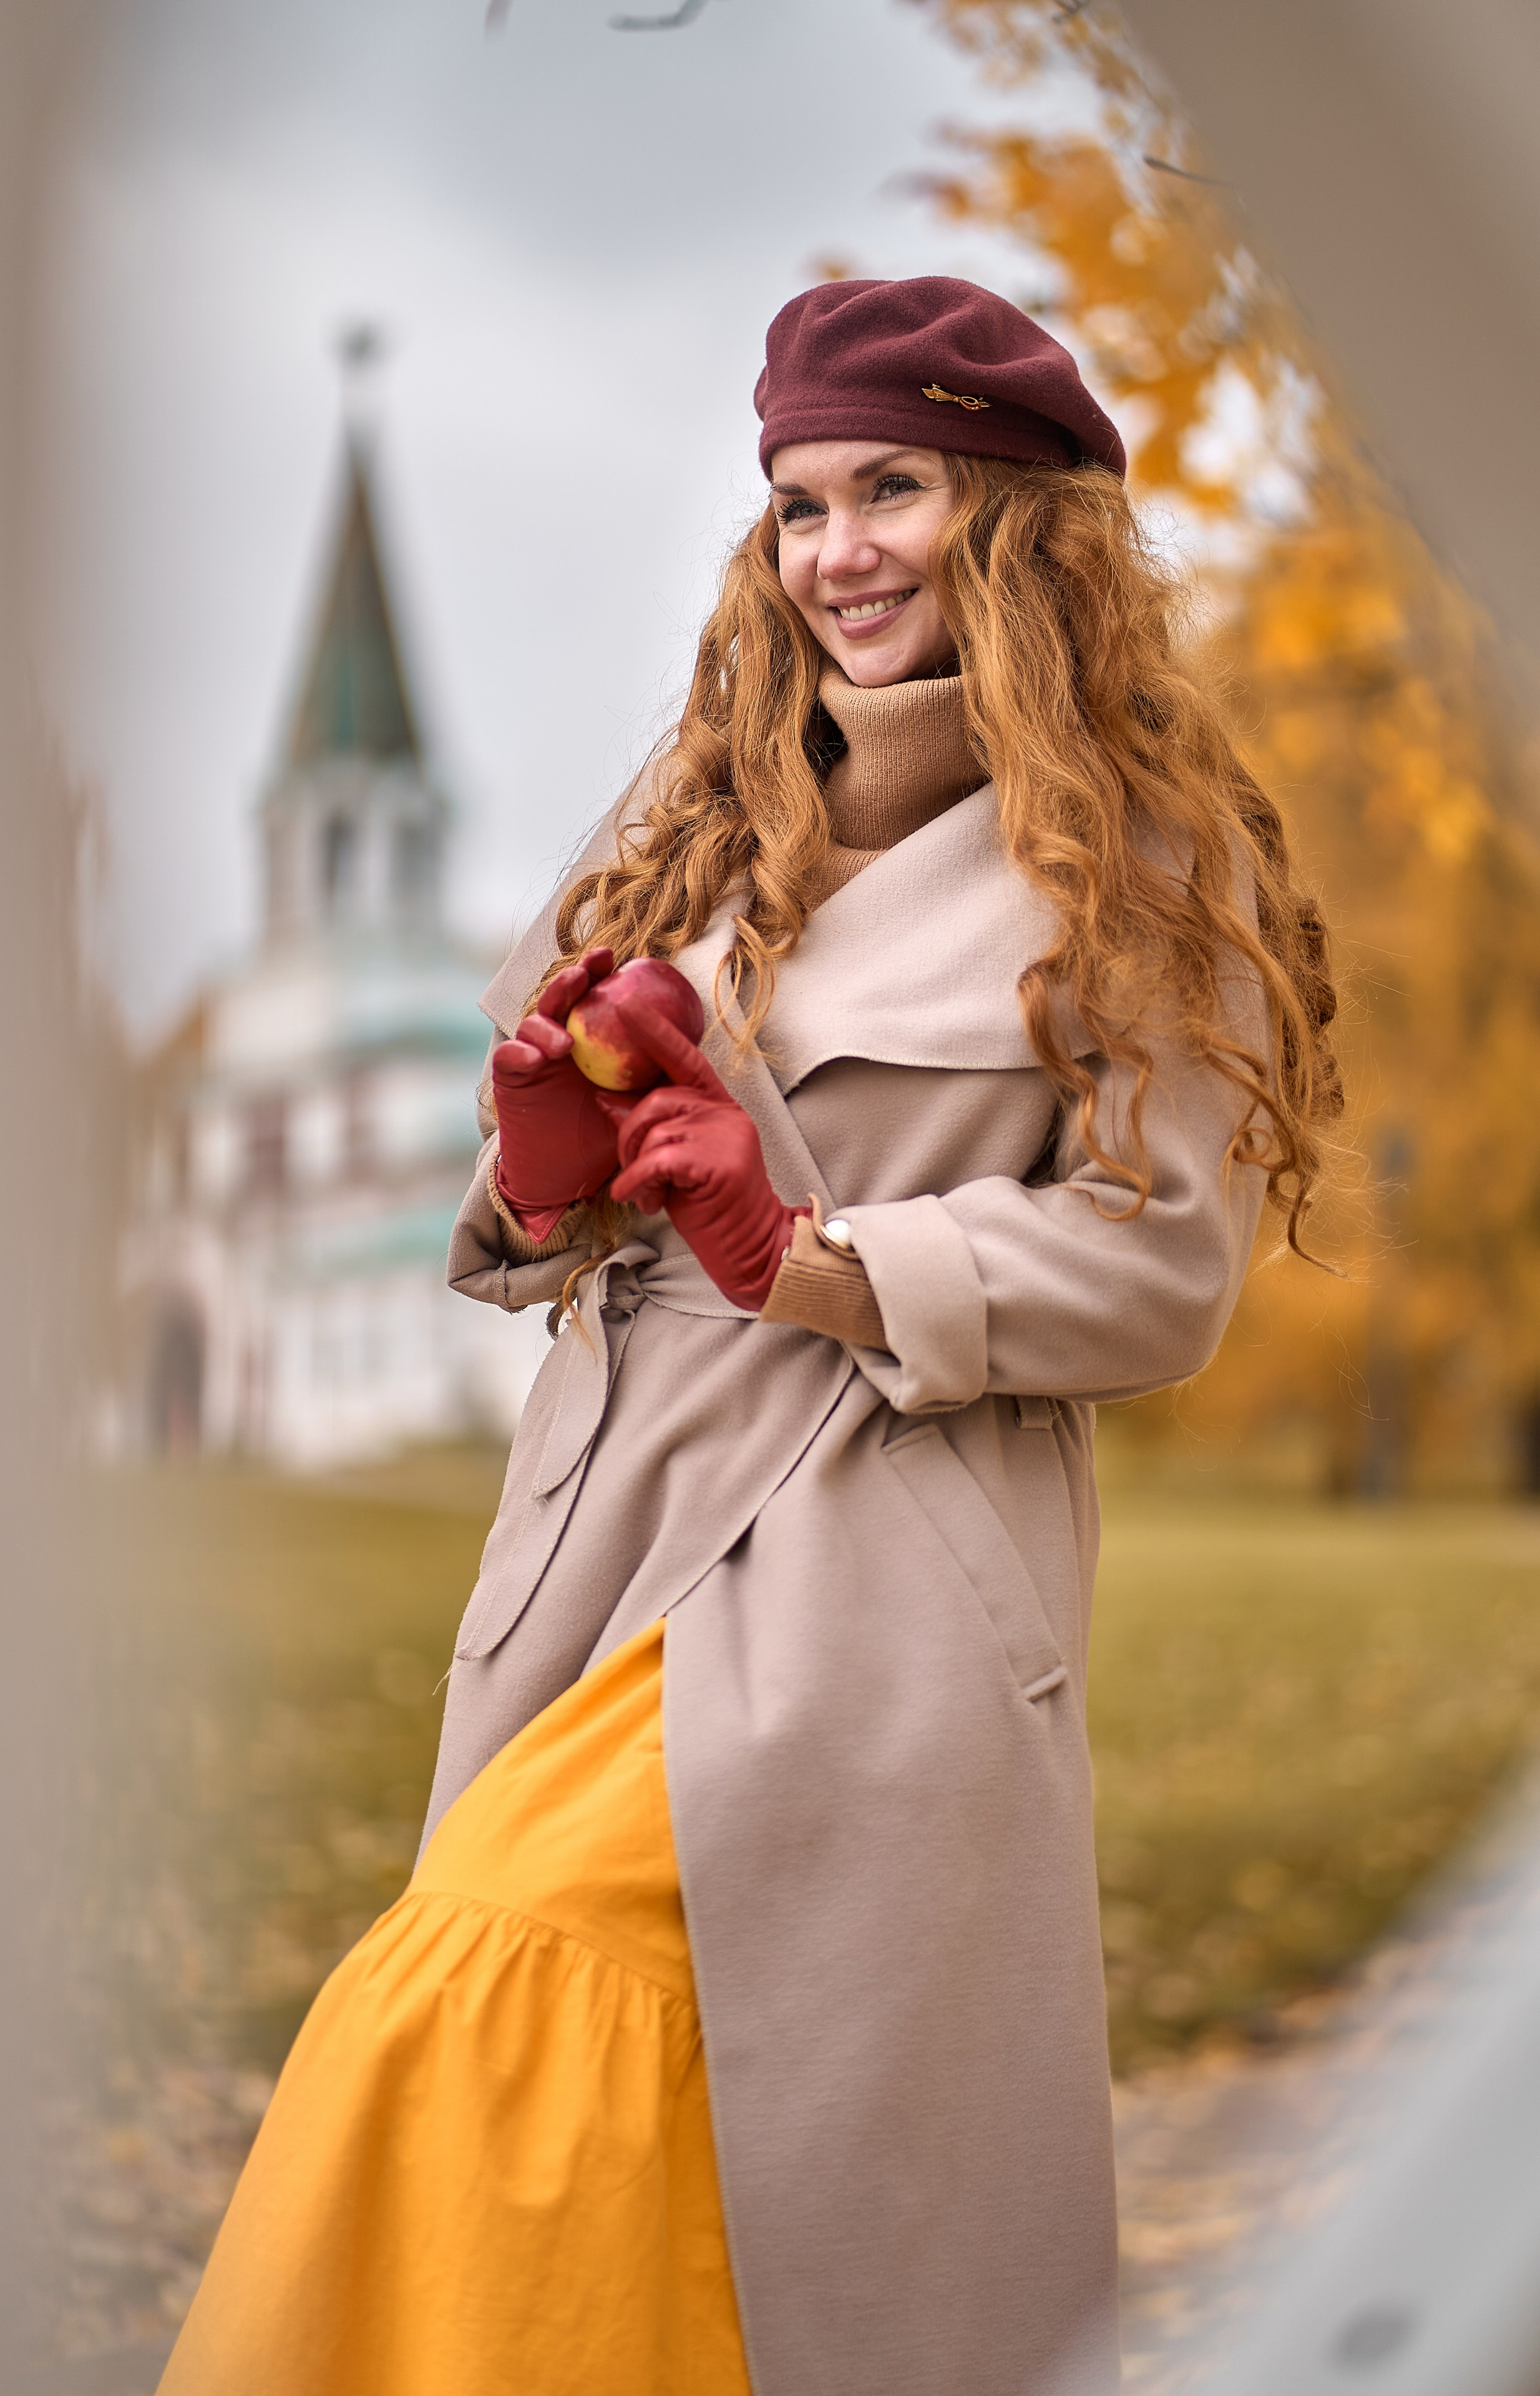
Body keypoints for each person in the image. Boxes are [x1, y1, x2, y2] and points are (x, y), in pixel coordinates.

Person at [159, 275, 1339, 2396]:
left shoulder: (1149, 862)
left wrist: (809, 1246)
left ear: (1023, 518)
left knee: (490, 1995)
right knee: (669, 2128)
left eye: (893, 486)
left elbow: (1162, 1267)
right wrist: (538, 1167)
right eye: (800, 503)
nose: (841, 549)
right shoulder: (705, 804)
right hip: (601, 1533)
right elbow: (556, 1212)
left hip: (865, 1553)